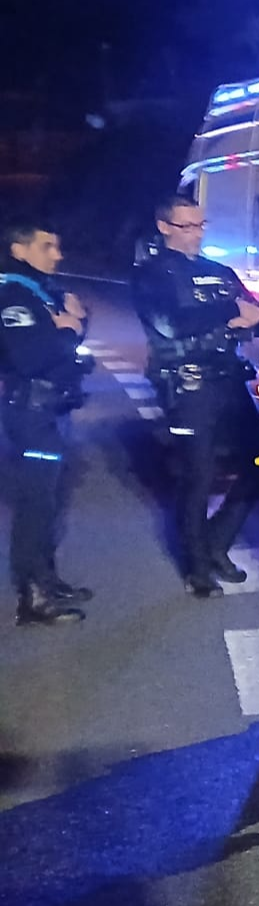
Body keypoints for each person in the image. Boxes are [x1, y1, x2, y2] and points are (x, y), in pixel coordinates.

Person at [132, 195, 259, 596]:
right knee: (199, 476)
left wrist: (249, 315)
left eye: (200, 225)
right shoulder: (152, 274)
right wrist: (230, 311)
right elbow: (173, 323)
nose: (196, 234)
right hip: (187, 383)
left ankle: (216, 543)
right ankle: (197, 567)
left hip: (228, 378)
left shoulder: (218, 270)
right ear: (164, 227)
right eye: (187, 226)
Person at [0, 221, 93, 625]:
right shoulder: (13, 295)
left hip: (49, 408)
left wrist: (71, 325)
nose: (57, 254)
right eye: (47, 247)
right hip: (30, 412)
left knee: (51, 502)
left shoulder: (40, 291)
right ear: (19, 250)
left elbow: (70, 330)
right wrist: (69, 329)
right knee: (35, 504)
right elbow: (31, 356)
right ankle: (32, 597)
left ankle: (47, 578)